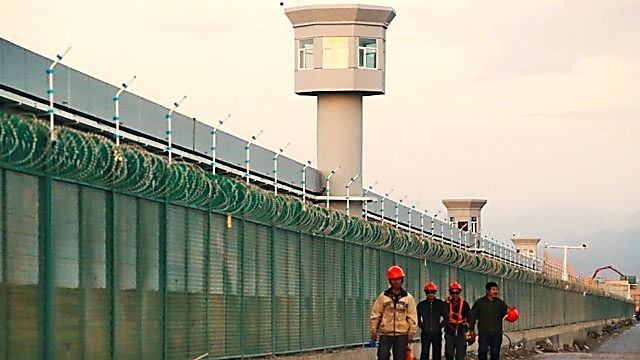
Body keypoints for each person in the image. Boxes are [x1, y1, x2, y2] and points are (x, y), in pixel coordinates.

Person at [371, 265, 418, 360]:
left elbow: (412, 316)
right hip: (385, 334)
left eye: (398, 279)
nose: (396, 282)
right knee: (382, 356)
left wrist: (411, 332)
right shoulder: (383, 297)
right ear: (389, 281)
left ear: (402, 280)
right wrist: (374, 330)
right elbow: (376, 314)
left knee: (400, 357)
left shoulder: (408, 298)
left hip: (402, 334)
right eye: (393, 280)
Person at [468, 281, 512, 360]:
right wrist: (471, 330)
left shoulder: (500, 303)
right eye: (493, 290)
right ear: (487, 291)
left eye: (497, 290)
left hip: (496, 334)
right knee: (482, 352)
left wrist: (511, 313)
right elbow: (472, 316)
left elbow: (507, 315)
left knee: (495, 354)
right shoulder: (480, 303)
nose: (496, 292)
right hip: (484, 333)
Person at [417, 282, 447, 360]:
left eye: (432, 292)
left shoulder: (440, 304)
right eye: (428, 292)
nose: (430, 294)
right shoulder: (421, 305)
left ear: (435, 293)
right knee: (424, 353)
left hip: (437, 333)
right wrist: (422, 326)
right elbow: (417, 318)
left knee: (437, 354)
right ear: (425, 293)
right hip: (425, 333)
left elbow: (446, 317)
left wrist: (440, 325)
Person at [444, 282, 471, 360]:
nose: (455, 294)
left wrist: (468, 328)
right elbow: (441, 313)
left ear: (459, 293)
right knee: (449, 354)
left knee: (460, 355)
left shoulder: (465, 304)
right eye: (453, 292)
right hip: (450, 332)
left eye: (457, 292)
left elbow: (469, 317)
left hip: (461, 333)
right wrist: (444, 303)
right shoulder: (447, 304)